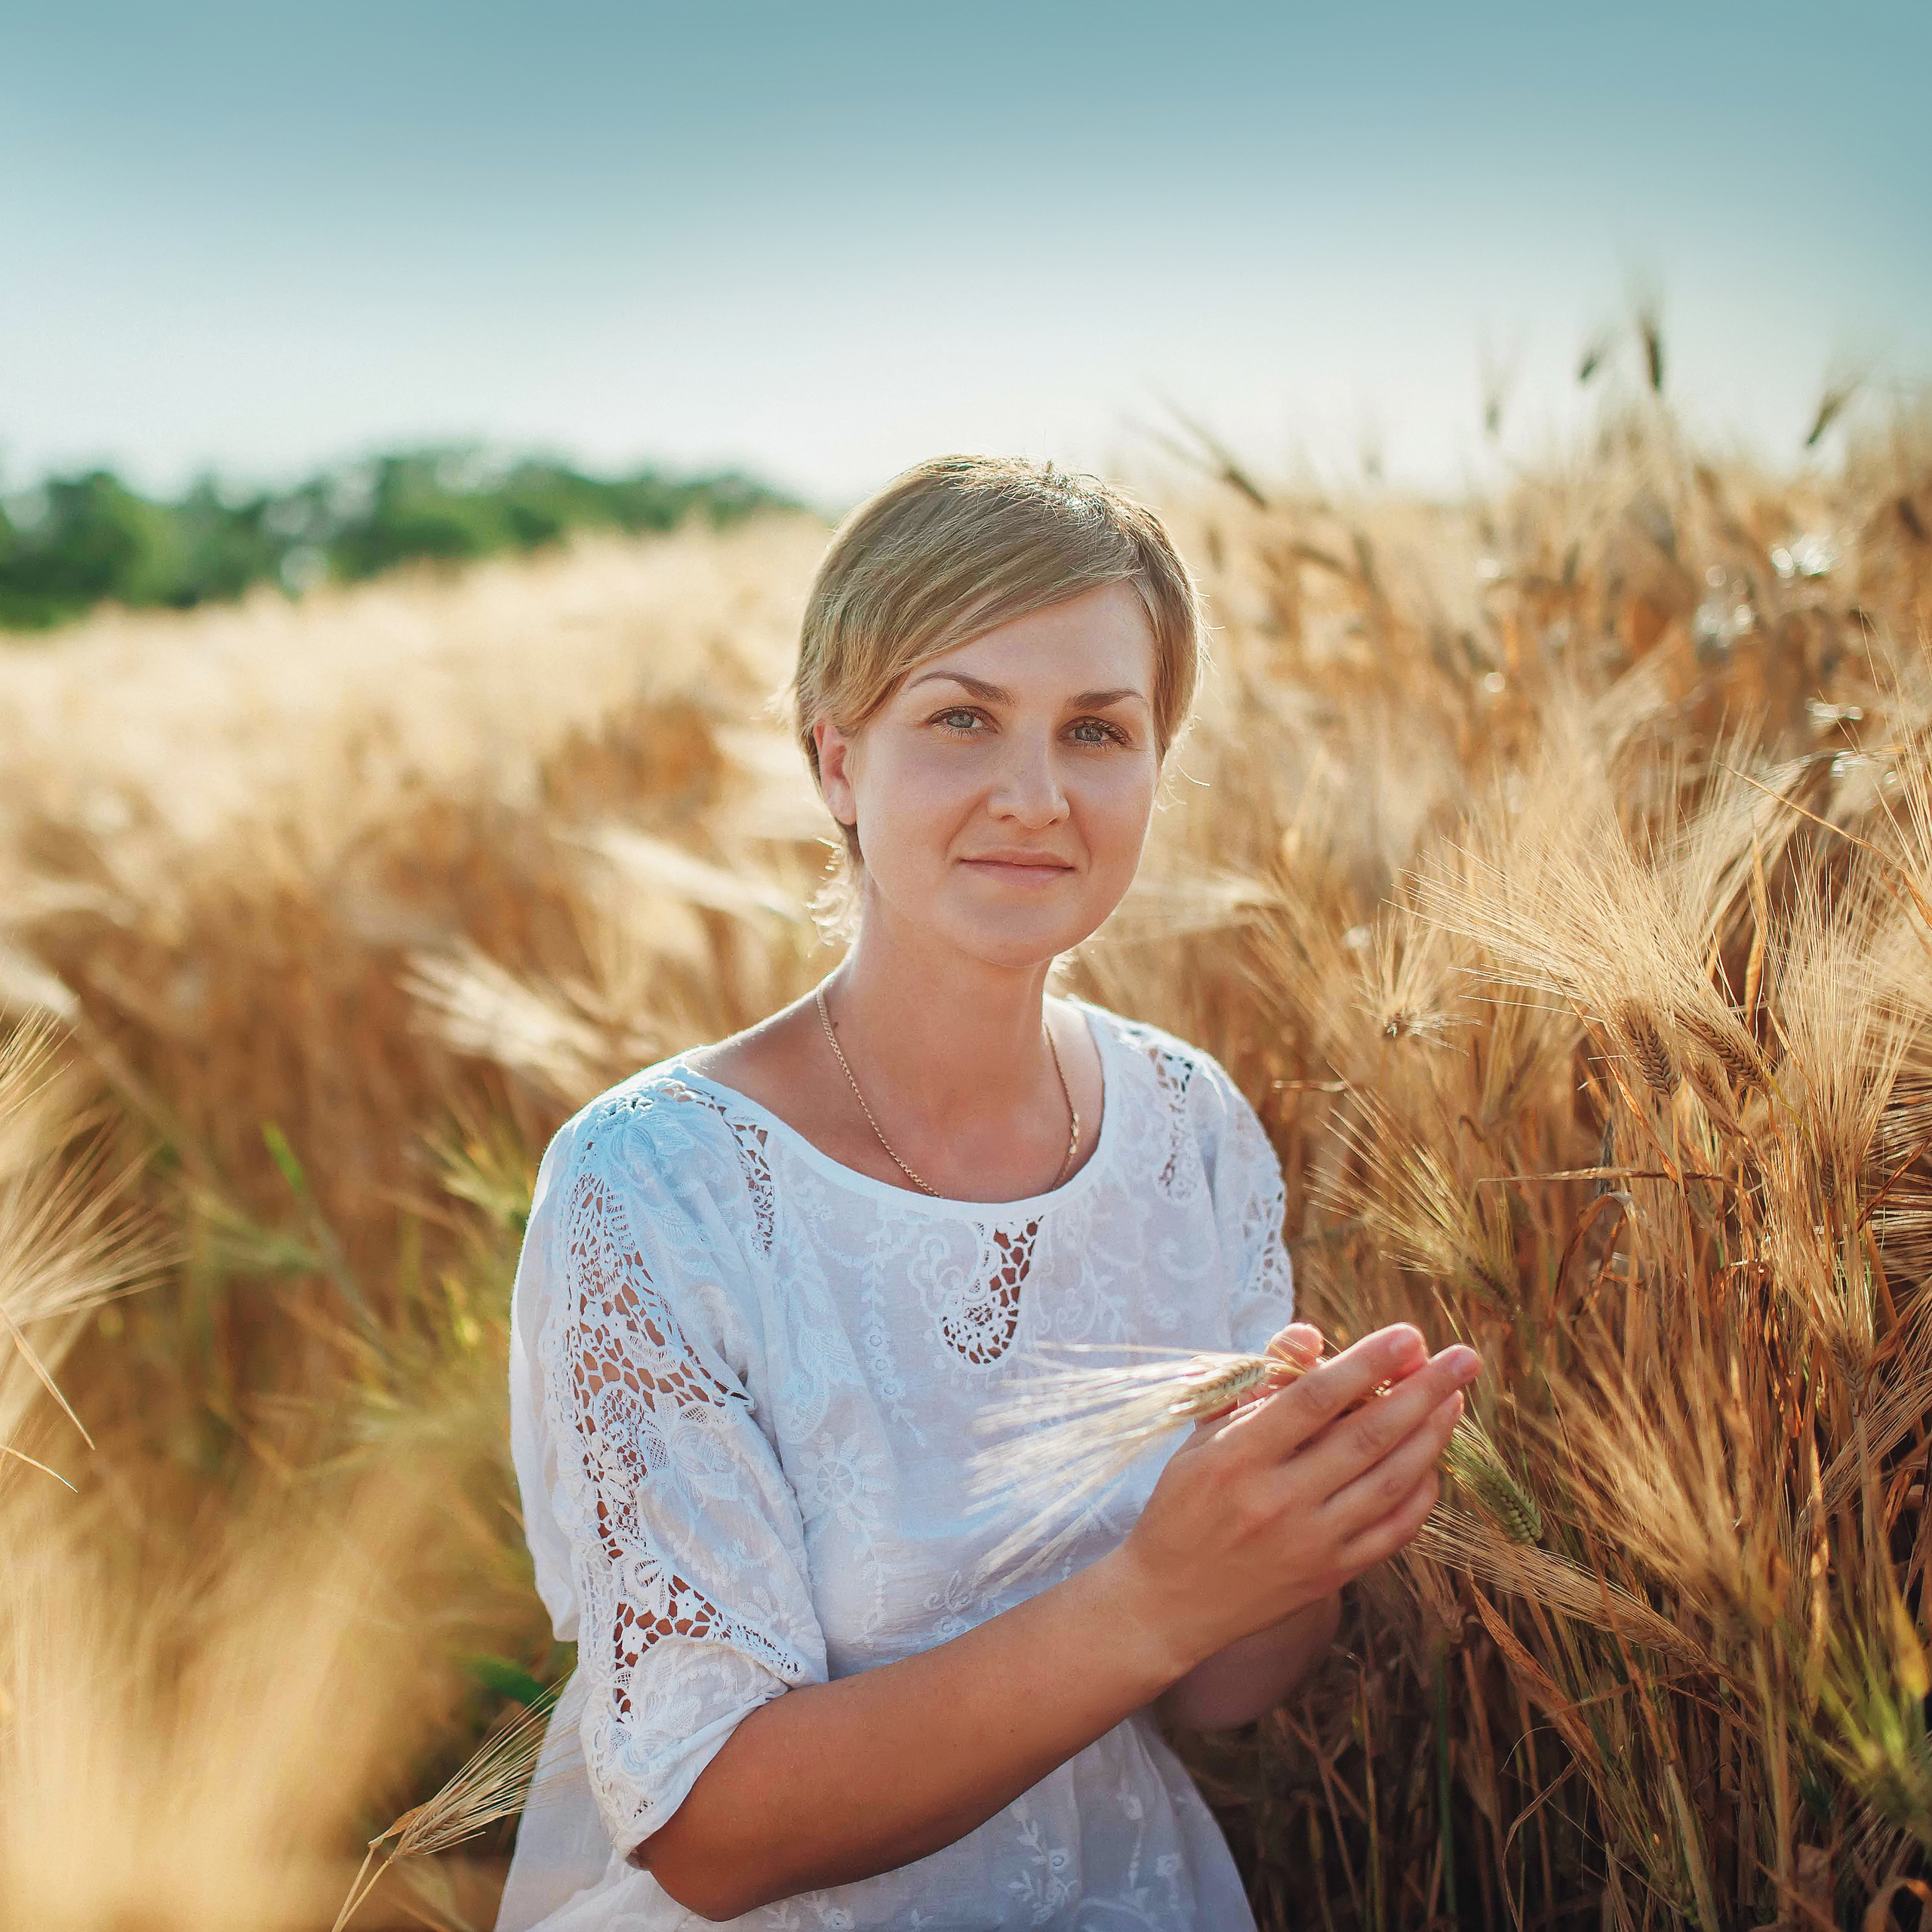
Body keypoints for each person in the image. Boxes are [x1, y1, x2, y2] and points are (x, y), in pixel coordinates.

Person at [496, 456, 1480, 1930]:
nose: (1035, 794)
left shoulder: (1185, 1128)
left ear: (1155, 761)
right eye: (960, 717)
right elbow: (709, 1827)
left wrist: (1291, 1530)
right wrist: (1150, 1592)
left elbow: (1224, 1690)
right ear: (838, 760)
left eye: (1097, 729)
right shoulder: (654, 1185)